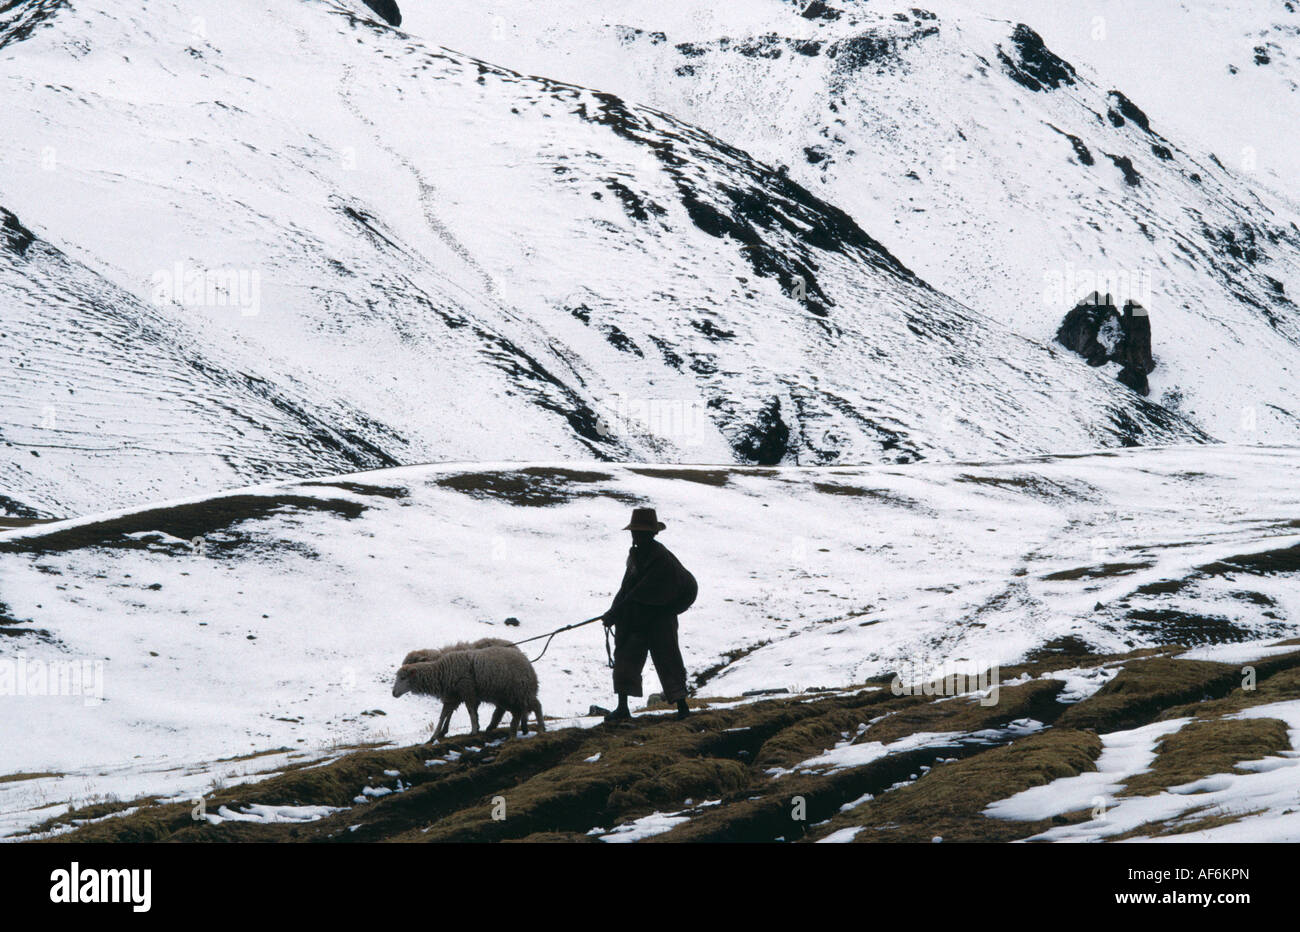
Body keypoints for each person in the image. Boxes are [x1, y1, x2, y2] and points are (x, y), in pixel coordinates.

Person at [601, 507, 697, 722]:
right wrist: (613, 612)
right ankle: (623, 708)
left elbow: (639, 591)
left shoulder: (662, 559)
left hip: (660, 617)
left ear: (651, 534)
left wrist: (618, 611)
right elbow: (626, 588)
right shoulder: (635, 556)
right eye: (635, 532)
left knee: (668, 660)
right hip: (637, 616)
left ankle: (682, 707)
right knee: (625, 658)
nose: (636, 536)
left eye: (641, 533)